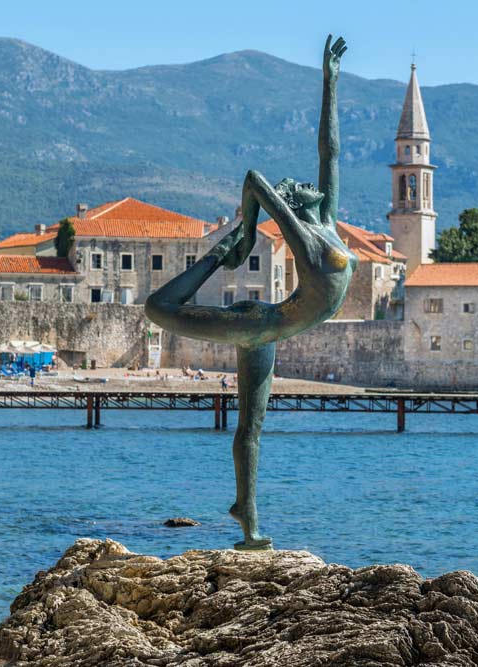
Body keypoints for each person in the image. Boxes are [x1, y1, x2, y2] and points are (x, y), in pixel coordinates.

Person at [145, 36, 353, 551]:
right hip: (257, 323)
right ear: (292, 202)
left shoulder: (325, 221)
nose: (305, 182)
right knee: (156, 308)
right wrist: (245, 232)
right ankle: (215, 258)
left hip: (271, 328)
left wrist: (329, 83)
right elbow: (255, 179)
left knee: (251, 431)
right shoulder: (303, 239)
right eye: (296, 186)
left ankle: (248, 517)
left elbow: (330, 149)